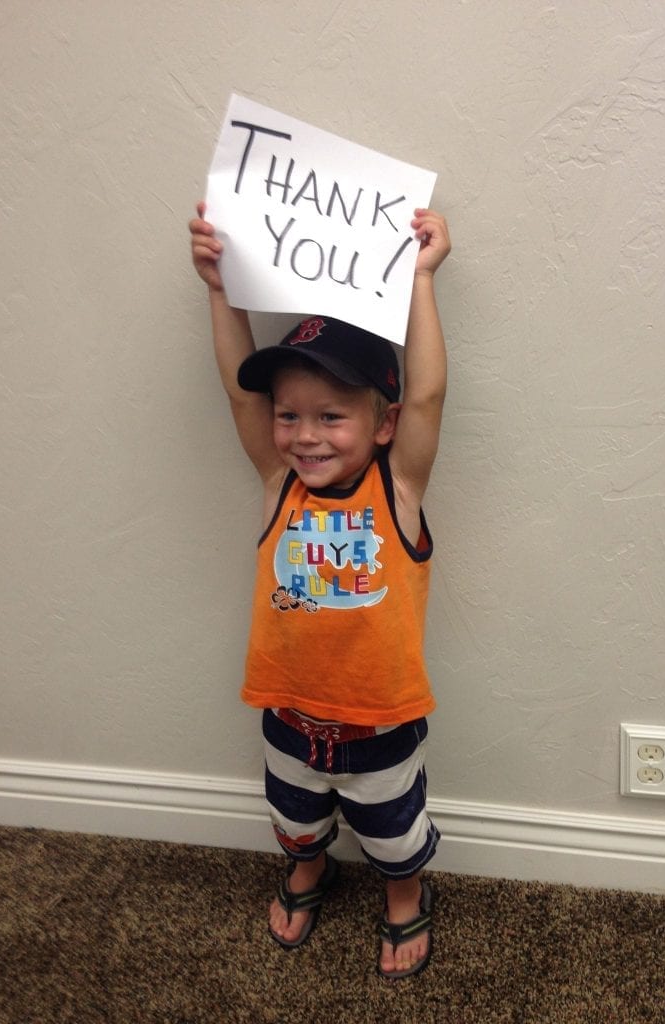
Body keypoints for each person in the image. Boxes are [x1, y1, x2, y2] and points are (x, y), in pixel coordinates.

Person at [189, 201, 451, 979]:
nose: (304, 435)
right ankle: (308, 869)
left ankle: (403, 896)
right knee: (294, 818)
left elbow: (431, 398)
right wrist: (219, 289)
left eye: (332, 416)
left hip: (381, 723)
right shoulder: (279, 488)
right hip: (289, 715)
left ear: (382, 423)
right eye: (291, 415)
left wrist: (423, 279)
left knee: (394, 832)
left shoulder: (396, 490)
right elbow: (241, 397)